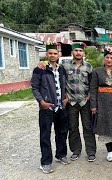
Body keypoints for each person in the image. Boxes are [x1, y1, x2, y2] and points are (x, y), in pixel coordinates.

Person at [31, 42, 70, 174]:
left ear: (58, 55)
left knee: (62, 132)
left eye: (55, 53)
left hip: (61, 107)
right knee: (45, 135)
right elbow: (35, 87)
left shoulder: (61, 69)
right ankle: (46, 162)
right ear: (46, 55)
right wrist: (42, 102)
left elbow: (64, 84)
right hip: (47, 108)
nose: (53, 55)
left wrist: (66, 98)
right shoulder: (40, 69)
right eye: (50, 53)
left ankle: (61, 155)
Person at [65, 43, 97, 162]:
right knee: (73, 128)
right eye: (76, 50)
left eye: (80, 51)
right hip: (71, 102)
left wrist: (90, 96)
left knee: (88, 127)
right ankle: (76, 150)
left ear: (84, 53)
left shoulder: (89, 67)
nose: (78, 53)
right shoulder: (65, 65)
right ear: (72, 52)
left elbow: (92, 84)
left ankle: (91, 152)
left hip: (85, 102)